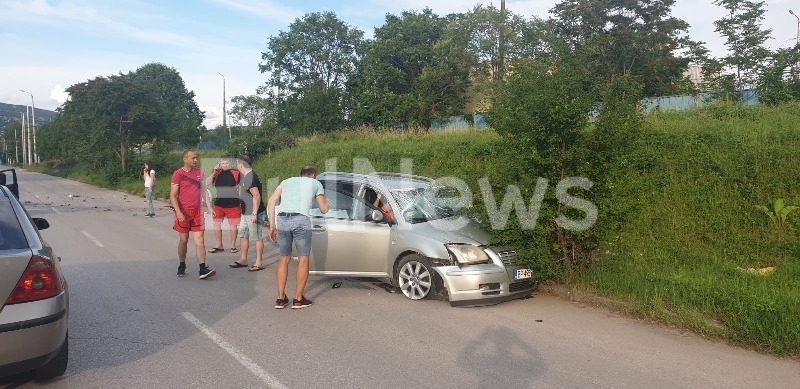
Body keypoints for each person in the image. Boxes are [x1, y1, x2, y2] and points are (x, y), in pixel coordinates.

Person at [268, 165, 329, 309]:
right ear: (313, 174)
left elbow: (271, 201)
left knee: (284, 258)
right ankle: (298, 299)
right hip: (301, 220)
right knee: (303, 258)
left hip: (282, 219)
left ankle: (281, 298)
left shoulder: (286, 181)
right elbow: (323, 209)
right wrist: (328, 205)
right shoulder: (316, 183)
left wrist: (272, 225)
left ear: (300, 174)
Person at [169, 149, 216, 279]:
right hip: (183, 211)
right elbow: (173, 195)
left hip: (197, 211)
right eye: (193, 158)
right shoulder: (178, 174)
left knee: (200, 240)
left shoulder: (200, 173)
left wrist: (210, 208)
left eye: (196, 158)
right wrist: (178, 212)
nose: (195, 160)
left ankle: (202, 269)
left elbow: (204, 192)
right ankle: (182, 264)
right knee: (183, 240)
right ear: (185, 159)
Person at [228, 155, 267, 272]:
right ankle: (243, 259)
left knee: (257, 237)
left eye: (237, 163)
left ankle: (258, 262)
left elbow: (257, 196)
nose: (237, 166)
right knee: (243, 235)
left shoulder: (251, 177)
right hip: (245, 212)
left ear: (241, 164)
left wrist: (254, 213)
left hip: (253, 212)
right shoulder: (245, 176)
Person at [205, 155, 241, 254]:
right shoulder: (217, 173)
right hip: (219, 204)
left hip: (233, 204)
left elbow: (243, 186)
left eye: (226, 163)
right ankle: (219, 245)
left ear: (230, 164)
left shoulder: (236, 173)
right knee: (216, 224)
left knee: (233, 226)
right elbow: (206, 183)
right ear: (220, 164)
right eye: (223, 163)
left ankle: (233, 246)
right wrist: (213, 172)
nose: (225, 165)